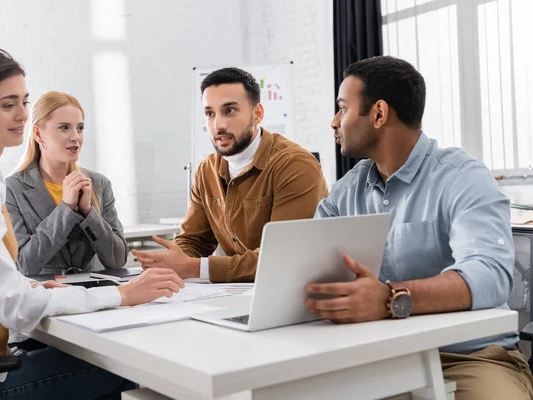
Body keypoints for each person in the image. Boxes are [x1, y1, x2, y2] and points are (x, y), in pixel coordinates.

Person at [0, 46, 183, 400]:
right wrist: (122, 294)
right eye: (8, 105)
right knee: (131, 360)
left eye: (24, 101)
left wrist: (35, 289)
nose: (22, 114)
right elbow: (13, 306)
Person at [306, 55, 532, 399]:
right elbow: (306, 269)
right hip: (377, 357)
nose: (334, 122)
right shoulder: (345, 192)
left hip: (469, 357)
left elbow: (490, 276)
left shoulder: (462, 177)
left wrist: (389, 298)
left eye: (342, 109)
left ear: (379, 114)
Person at [133, 67, 328, 282]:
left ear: (258, 114)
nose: (218, 125)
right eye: (210, 113)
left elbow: (282, 257)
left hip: (294, 290)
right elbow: (194, 241)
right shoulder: (207, 169)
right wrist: (170, 264)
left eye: (230, 111)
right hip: (241, 293)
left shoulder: (294, 165)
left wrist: (193, 268)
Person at [6, 91, 127, 276]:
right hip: (46, 298)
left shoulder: (99, 184)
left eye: (80, 128)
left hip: (96, 296)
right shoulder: (12, 189)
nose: (75, 137)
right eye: (64, 128)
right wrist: (67, 208)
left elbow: (118, 260)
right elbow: (23, 265)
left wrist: (88, 212)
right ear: (38, 134)